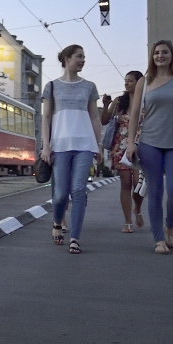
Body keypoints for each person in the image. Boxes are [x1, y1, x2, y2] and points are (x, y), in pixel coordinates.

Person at [125, 40, 173, 254]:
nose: (160, 55)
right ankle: (159, 238)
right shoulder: (144, 82)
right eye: (157, 52)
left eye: (165, 52)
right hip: (150, 143)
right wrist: (131, 143)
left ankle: (170, 224)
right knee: (156, 192)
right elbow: (134, 116)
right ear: (152, 56)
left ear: (171, 55)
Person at [40, 44, 101, 255]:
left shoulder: (89, 86)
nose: (83, 60)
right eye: (79, 56)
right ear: (66, 59)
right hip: (60, 145)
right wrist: (46, 145)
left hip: (85, 144)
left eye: (84, 57)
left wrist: (98, 144)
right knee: (59, 195)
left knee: (78, 190)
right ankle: (57, 222)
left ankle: (74, 237)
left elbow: (94, 117)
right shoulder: (52, 86)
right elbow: (46, 117)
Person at [101, 71, 145, 233]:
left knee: (137, 185)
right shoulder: (120, 101)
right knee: (125, 183)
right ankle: (127, 221)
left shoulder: (146, 100)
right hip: (121, 145)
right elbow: (104, 120)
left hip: (142, 145)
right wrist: (106, 105)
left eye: (130, 81)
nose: (126, 84)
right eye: (125, 81)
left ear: (140, 82)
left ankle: (137, 209)